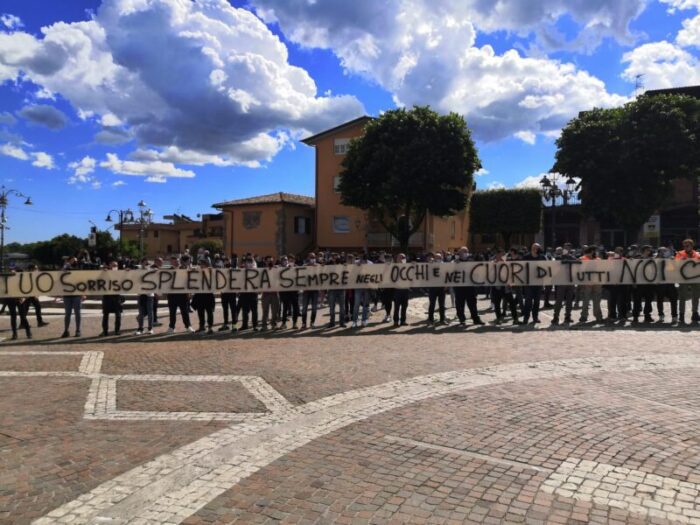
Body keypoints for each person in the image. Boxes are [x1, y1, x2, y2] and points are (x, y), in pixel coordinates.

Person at [454, 246, 484, 327]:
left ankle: (475, 319)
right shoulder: (455, 262)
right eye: (463, 251)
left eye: (466, 251)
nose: (464, 253)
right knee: (460, 304)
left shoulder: (471, 261)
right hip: (459, 287)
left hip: (470, 287)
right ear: (459, 253)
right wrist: (454, 264)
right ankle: (462, 319)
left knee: (472, 303)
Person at [491, 248, 520, 325]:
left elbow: (510, 274)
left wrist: (511, 283)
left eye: (504, 254)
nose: (503, 256)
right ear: (497, 254)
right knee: (497, 304)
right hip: (496, 287)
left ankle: (515, 319)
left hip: (506, 287)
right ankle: (499, 318)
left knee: (512, 303)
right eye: (502, 254)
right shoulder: (492, 263)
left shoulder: (507, 263)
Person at [167, 255, 195, 334]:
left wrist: (189, 292)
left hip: (182, 295)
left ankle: (188, 326)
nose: (176, 262)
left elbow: (188, 281)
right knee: (172, 312)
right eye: (173, 261)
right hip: (172, 295)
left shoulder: (184, 269)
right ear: (171, 262)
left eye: (177, 261)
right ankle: (171, 327)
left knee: (185, 312)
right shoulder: (169, 270)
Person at [676, 238, 700, 324]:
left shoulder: (697, 254)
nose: (686, 247)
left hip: (695, 278)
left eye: (687, 245)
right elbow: (675, 264)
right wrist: (679, 261)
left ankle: (695, 313)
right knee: (682, 297)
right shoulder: (679, 253)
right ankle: (681, 315)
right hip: (683, 278)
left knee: (696, 296)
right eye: (684, 245)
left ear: (692, 246)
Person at [578, 246, 604, 324]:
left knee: (597, 301)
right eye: (594, 251)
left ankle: (598, 316)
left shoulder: (598, 260)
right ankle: (584, 316)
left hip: (597, 283)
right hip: (586, 284)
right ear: (592, 251)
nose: (595, 253)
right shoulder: (582, 259)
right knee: (586, 301)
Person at [521, 243, 546, 324]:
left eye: (537, 248)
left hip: (538, 283)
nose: (535, 249)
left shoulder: (542, 257)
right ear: (531, 248)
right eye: (534, 247)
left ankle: (535, 318)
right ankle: (526, 318)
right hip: (529, 283)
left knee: (537, 302)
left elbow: (546, 267)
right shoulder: (526, 257)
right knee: (528, 302)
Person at [61, 256, 84, 338]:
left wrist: (83, 293)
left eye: (75, 260)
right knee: (67, 314)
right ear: (69, 260)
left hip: (76, 294)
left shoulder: (79, 268)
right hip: (67, 294)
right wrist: (66, 265)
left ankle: (78, 330)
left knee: (77, 313)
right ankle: (66, 330)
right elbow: (61, 274)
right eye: (73, 260)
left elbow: (82, 281)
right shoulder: (65, 267)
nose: (74, 262)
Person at [632, 245, 656, 324]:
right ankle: (635, 317)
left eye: (649, 250)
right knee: (637, 300)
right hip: (639, 283)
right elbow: (633, 271)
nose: (649, 251)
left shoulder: (652, 259)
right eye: (647, 250)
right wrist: (634, 282)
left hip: (649, 283)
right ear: (644, 251)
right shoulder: (637, 258)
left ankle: (647, 315)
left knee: (648, 300)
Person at [192, 259, 215, 334]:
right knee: (200, 312)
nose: (201, 265)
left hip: (208, 295)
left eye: (202, 264)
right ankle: (202, 326)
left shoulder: (211, 271)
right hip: (200, 295)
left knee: (209, 312)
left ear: (206, 265)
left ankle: (210, 327)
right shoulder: (197, 271)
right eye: (200, 264)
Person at [655, 246, 678, 324]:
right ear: (659, 252)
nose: (664, 252)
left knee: (673, 300)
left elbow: (673, 269)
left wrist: (672, 261)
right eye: (662, 251)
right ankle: (661, 315)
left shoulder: (670, 259)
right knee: (659, 300)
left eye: (665, 251)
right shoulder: (656, 260)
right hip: (660, 284)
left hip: (670, 283)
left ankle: (674, 317)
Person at [100, 261, 123, 336]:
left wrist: (127, 272)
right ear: (109, 265)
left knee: (118, 315)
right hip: (107, 297)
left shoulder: (120, 274)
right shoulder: (105, 273)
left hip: (117, 297)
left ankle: (117, 330)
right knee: (105, 315)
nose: (115, 267)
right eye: (113, 265)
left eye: (116, 265)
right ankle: (105, 331)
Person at [24, 264, 48, 328]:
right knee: (34, 307)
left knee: (30, 308)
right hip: (28, 294)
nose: (37, 270)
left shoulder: (34, 276)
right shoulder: (27, 276)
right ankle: (39, 322)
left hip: (31, 294)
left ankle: (39, 322)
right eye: (35, 268)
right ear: (31, 269)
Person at [239, 255, 259, 331]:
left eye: (250, 262)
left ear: (253, 263)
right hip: (244, 293)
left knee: (254, 311)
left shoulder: (256, 271)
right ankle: (245, 325)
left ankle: (255, 326)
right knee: (245, 311)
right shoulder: (241, 270)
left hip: (253, 293)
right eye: (247, 262)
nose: (248, 263)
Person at [279, 255, 299, 329]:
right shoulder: (278, 268)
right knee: (285, 308)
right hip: (284, 292)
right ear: (281, 261)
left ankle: (295, 323)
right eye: (283, 260)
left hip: (294, 291)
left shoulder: (294, 266)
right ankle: (283, 324)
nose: (285, 261)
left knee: (295, 308)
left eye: (286, 259)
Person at [326, 254, 346, 328]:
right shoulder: (328, 266)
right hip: (331, 289)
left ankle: (342, 322)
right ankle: (332, 322)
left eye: (336, 258)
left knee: (342, 307)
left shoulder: (342, 266)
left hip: (341, 289)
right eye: (333, 258)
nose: (335, 259)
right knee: (331, 307)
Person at [260, 256, 280, 330]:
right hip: (266, 294)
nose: (270, 262)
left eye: (271, 261)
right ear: (265, 262)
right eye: (268, 261)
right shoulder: (262, 270)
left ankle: (273, 324)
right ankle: (264, 325)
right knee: (265, 311)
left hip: (275, 293)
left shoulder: (276, 269)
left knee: (275, 310)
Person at [426, 253, 446, 325]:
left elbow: (447, 275)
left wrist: (446, 285)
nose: (438, 259)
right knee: (432, 304)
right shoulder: (431, 264)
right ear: (434, 258)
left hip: (441, 288)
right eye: (437, 257)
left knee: (442, 305)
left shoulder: (445, 265)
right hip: (433, 287)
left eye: (439, 257)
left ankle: (442, 319)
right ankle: (430, 319)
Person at [301, 252, 319, 329]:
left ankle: (312, 323)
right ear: (308, 257)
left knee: (314, 308)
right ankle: (304, 323)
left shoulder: (318, 266)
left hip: (315, 290)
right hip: (306, 290)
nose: (312, 258)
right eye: (311, 257)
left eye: (314, 257)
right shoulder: (304, 266)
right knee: (304, 308)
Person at [392, 253, 410, 327]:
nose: (402, 259)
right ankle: (396, 321)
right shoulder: (393, 267)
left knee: (404, 306)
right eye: (400, 257)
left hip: (405, 290)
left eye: (403, 257)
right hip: (397, 290)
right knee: (397, 306)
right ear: (397, 259)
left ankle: (403, 321)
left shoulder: (408, 267)